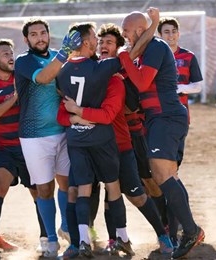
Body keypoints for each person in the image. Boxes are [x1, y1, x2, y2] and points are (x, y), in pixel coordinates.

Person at [57, 20, 173, 259]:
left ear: (119, 48)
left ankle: (162, 234)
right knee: (84, 193)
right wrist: (74, 118)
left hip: (120, 144)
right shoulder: (88, 70)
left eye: (109, 42)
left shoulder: (115, 77)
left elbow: (110, 114)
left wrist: (78, 112)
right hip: (91, 144)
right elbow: (63, 107)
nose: (102, 45)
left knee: (134, 194)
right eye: (100, 42)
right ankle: (85, 242)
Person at [119, 12, 205, 259]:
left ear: (139, 30)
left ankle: (191, 231)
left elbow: (143, 83)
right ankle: (186, 230)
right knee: (169, 176)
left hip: (166, 116)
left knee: (162, 174)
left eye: (126, 30)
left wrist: (124, 57)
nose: (124, 35)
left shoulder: (155, 47)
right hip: (158, 119)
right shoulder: (144, 50)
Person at [0, 39, 48, 255]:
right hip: (5, 150)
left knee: (38, 193)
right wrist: (16, 96)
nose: (11, 56)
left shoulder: (22, 78)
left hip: (29, 147)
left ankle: (44, 238)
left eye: (11, 52)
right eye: (5, 54)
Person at [14, 18, 81, 258]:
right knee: (44, 188)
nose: (40, 37)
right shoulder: (23, 61)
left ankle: (66, 227)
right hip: (34, 136)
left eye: (43, 33)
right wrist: (65, 54)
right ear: (26, 39)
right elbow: (43, 77)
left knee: (67, 184)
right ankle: (50, 239)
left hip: (63, 131)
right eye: (34, 34)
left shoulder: (59, 55)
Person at [157, 16, 203, 246]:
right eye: (166, 32)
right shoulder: (154, 55)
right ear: (159, 35)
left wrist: (179, 88)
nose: (170, 35)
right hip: (155, 120)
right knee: (163, 174)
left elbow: (198, 85)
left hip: (178, 120)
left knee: (171, 173)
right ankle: (174, 225)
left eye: (173, 31)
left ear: (178, 33)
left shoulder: (188, 56)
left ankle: (175, 227)